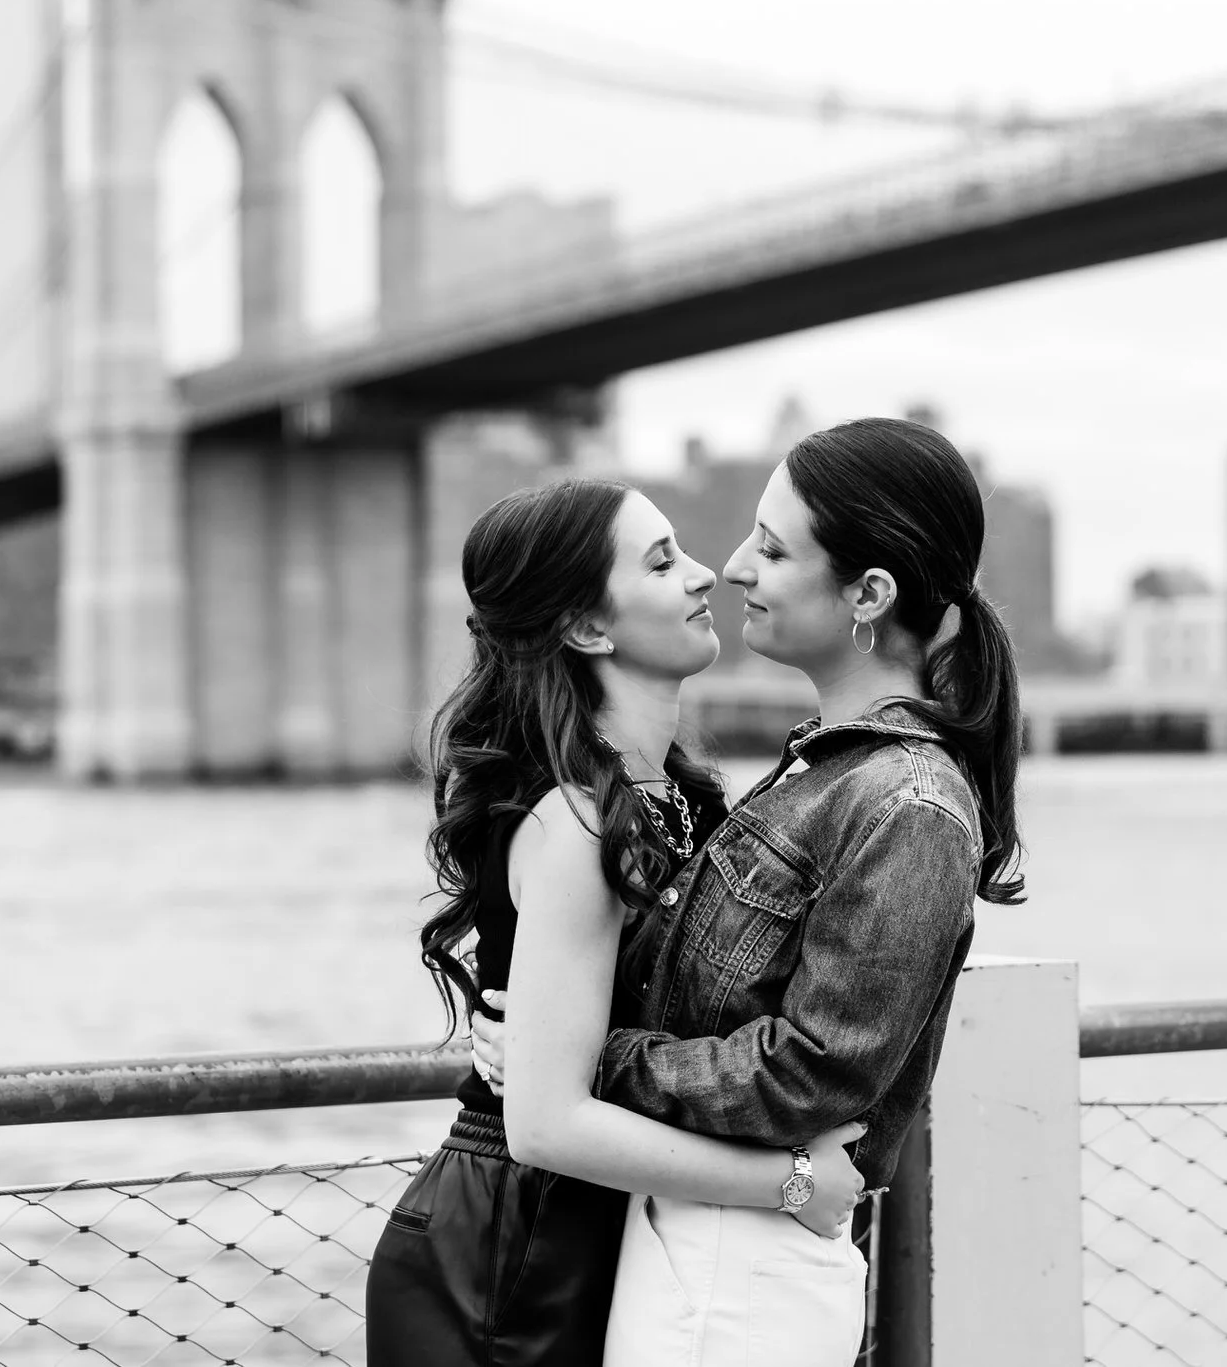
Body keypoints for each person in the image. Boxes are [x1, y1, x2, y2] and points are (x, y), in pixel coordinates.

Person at [473, 417, 1027, 1367]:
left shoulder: (906, 803)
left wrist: (584, 1061)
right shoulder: (819, 775)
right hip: (701, 1240)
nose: (730, 567)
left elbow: (813, 1074)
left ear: (869, 593)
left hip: (747, 1272)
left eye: (770, 547)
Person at [364, 479, 868, 1367]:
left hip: (619, 1218)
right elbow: (545, 1125)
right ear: (589, 628)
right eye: (663, 561)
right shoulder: (576, 825)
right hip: (518, 1245)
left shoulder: (680, 801)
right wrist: (791, 1184)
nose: (707, 573)